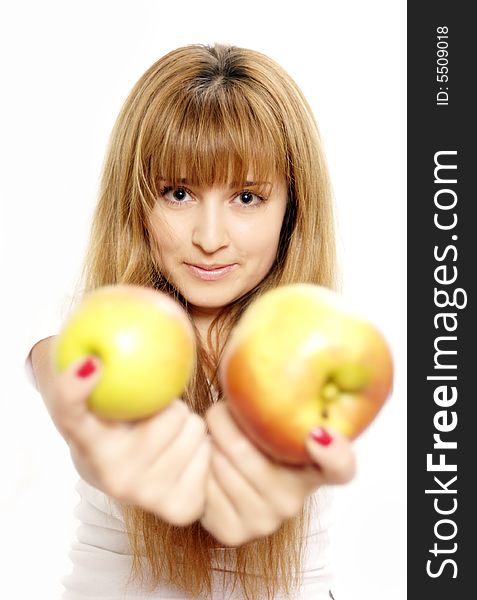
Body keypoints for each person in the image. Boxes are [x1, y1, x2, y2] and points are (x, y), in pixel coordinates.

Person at [28, 43, 356, 600]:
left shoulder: (318, 353)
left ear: (292, 208)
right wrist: (93, 429)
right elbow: (59, 372)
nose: (209, 238)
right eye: (178, 193)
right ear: (136, 203)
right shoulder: (93, 339)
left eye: (247, 197)